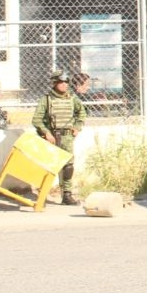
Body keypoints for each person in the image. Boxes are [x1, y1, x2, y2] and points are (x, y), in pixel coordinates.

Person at [32, 69, 86, 205]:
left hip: (67, 137)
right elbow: (36, 119)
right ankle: (42, 194)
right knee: (48, 166)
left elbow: (81, 113)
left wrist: (77, 127)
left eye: (66, 82)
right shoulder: (47, 99)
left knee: (68, 166)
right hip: (52, 137)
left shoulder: (72, 98)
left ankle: (67, 195)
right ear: (54, 83)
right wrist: (47, 133)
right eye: (61, 82)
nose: (64, 85)